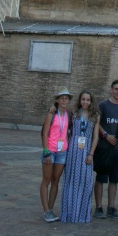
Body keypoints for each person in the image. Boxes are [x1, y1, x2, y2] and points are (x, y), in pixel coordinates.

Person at [60, 90, 100, 223]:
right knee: (71, 181)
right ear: (80, 100)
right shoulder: (74, 113)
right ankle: (70, 213)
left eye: (88, 100)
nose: (85, 102)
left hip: (87, 149)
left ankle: (82, 214)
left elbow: (96, 137)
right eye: (83, 99)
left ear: (91, 101)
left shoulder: (95, 116)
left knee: (86, 181)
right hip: (73, 150)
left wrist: (91, 154)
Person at [94, 79, 118, 220]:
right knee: (101, 178)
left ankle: (111, 207)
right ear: (111, 89)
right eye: (116, 89)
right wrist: (105, 135)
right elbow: (97, 123)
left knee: (114, 180)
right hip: (103, 147)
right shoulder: (103, 105)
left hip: (117, 149)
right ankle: (98, 207)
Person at [41, 88, 72, 222]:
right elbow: (45, 133)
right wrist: (46, 151)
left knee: (55, 181)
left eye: (66, 98)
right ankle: (46, 210)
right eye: (62, 98)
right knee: (46, 180)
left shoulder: (69, 115)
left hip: (62, 152)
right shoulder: (51, 114)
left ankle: (51, 210)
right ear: (57, 100)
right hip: (51, 151)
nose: (64, 100)